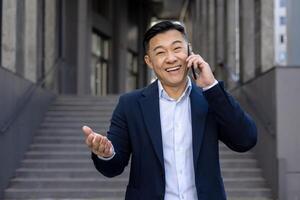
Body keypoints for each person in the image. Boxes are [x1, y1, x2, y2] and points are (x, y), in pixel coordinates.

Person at [82, 20, 257, 200]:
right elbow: (113, 167)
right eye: (160, 52)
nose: (171, 58)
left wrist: (211, 87)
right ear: (149, 61)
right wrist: (106, 153)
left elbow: (245, 140)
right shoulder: (130, 105)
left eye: (176, 48)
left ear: (189, 50)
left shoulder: (210, 99)